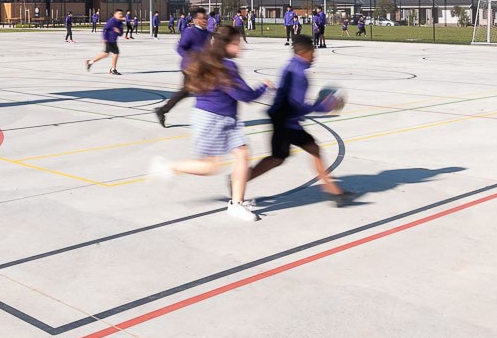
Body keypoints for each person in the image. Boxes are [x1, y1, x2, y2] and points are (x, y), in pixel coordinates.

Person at [149, 24, 266, 222]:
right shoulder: (226, 67)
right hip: (211, 119)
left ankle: (236, 204)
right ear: (226, 45)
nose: (241, 48)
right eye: (237, 44)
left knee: (243, 155)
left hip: (226, 118)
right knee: (210, 167)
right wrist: (264, 87)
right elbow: (244, 95)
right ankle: (169, 166)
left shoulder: (209, 60)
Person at [249, 36, 360, 206]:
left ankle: (335, 191)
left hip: (285, 120)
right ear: (305, 52)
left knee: (307, 151)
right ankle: (241, 178)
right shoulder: (300, 74)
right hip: (286, 122)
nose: (314, 56)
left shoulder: (291, 66)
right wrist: (322, 106)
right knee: (278, 158)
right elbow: (297, 106)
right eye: (313, 52)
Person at [154, 7, 210, 127]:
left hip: (202, 68)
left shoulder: (207, 33)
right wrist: (191, 60)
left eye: (205, 18)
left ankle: (162, 110)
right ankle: (205, 118)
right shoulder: (190, 32)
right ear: (194, 20)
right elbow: (180, 48)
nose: (204, 20)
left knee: (185, 91)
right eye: (201, 18)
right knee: (204, 91)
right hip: (190, 68)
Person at [86, 10, 125, 75]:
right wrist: (104, 38)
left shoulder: (120, 23)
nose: (120, 15)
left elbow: (121, 34)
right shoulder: (112, 21)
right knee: (114, 53)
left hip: (113, 40)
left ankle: (90, 62)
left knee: (107, 53)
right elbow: (105, 29)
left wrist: (119, 32)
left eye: (121, 14)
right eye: (119, 13)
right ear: (115, 14)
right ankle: (113, 69)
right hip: (108, 40)